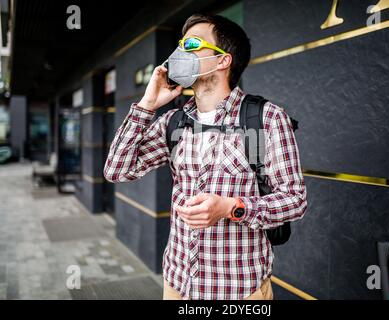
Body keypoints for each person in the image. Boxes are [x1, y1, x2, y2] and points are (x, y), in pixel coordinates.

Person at [104, 13, 307, 300]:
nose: (180, 52)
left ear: (223, 60)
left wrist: (231, 208)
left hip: (237, 290)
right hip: (176, 283)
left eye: (192, 44)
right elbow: (116, 170)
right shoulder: (173, 122)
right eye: (180, 44)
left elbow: (295, 200)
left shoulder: (266, 118)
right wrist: (147, 104)